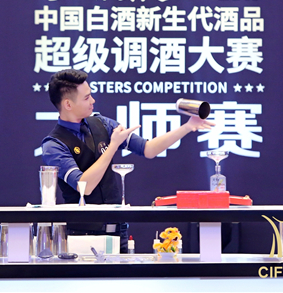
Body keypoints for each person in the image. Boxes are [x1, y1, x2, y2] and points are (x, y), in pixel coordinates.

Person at [41, 69, 214, 251]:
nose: (92, 101)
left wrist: (188, 126)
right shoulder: (54, 144)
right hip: (82, 235)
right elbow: (85, 186)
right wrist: (113, 145)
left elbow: (149, 149)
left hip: (118, 230)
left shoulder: (102, 123)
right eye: (86, 98)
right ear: (68, 104)